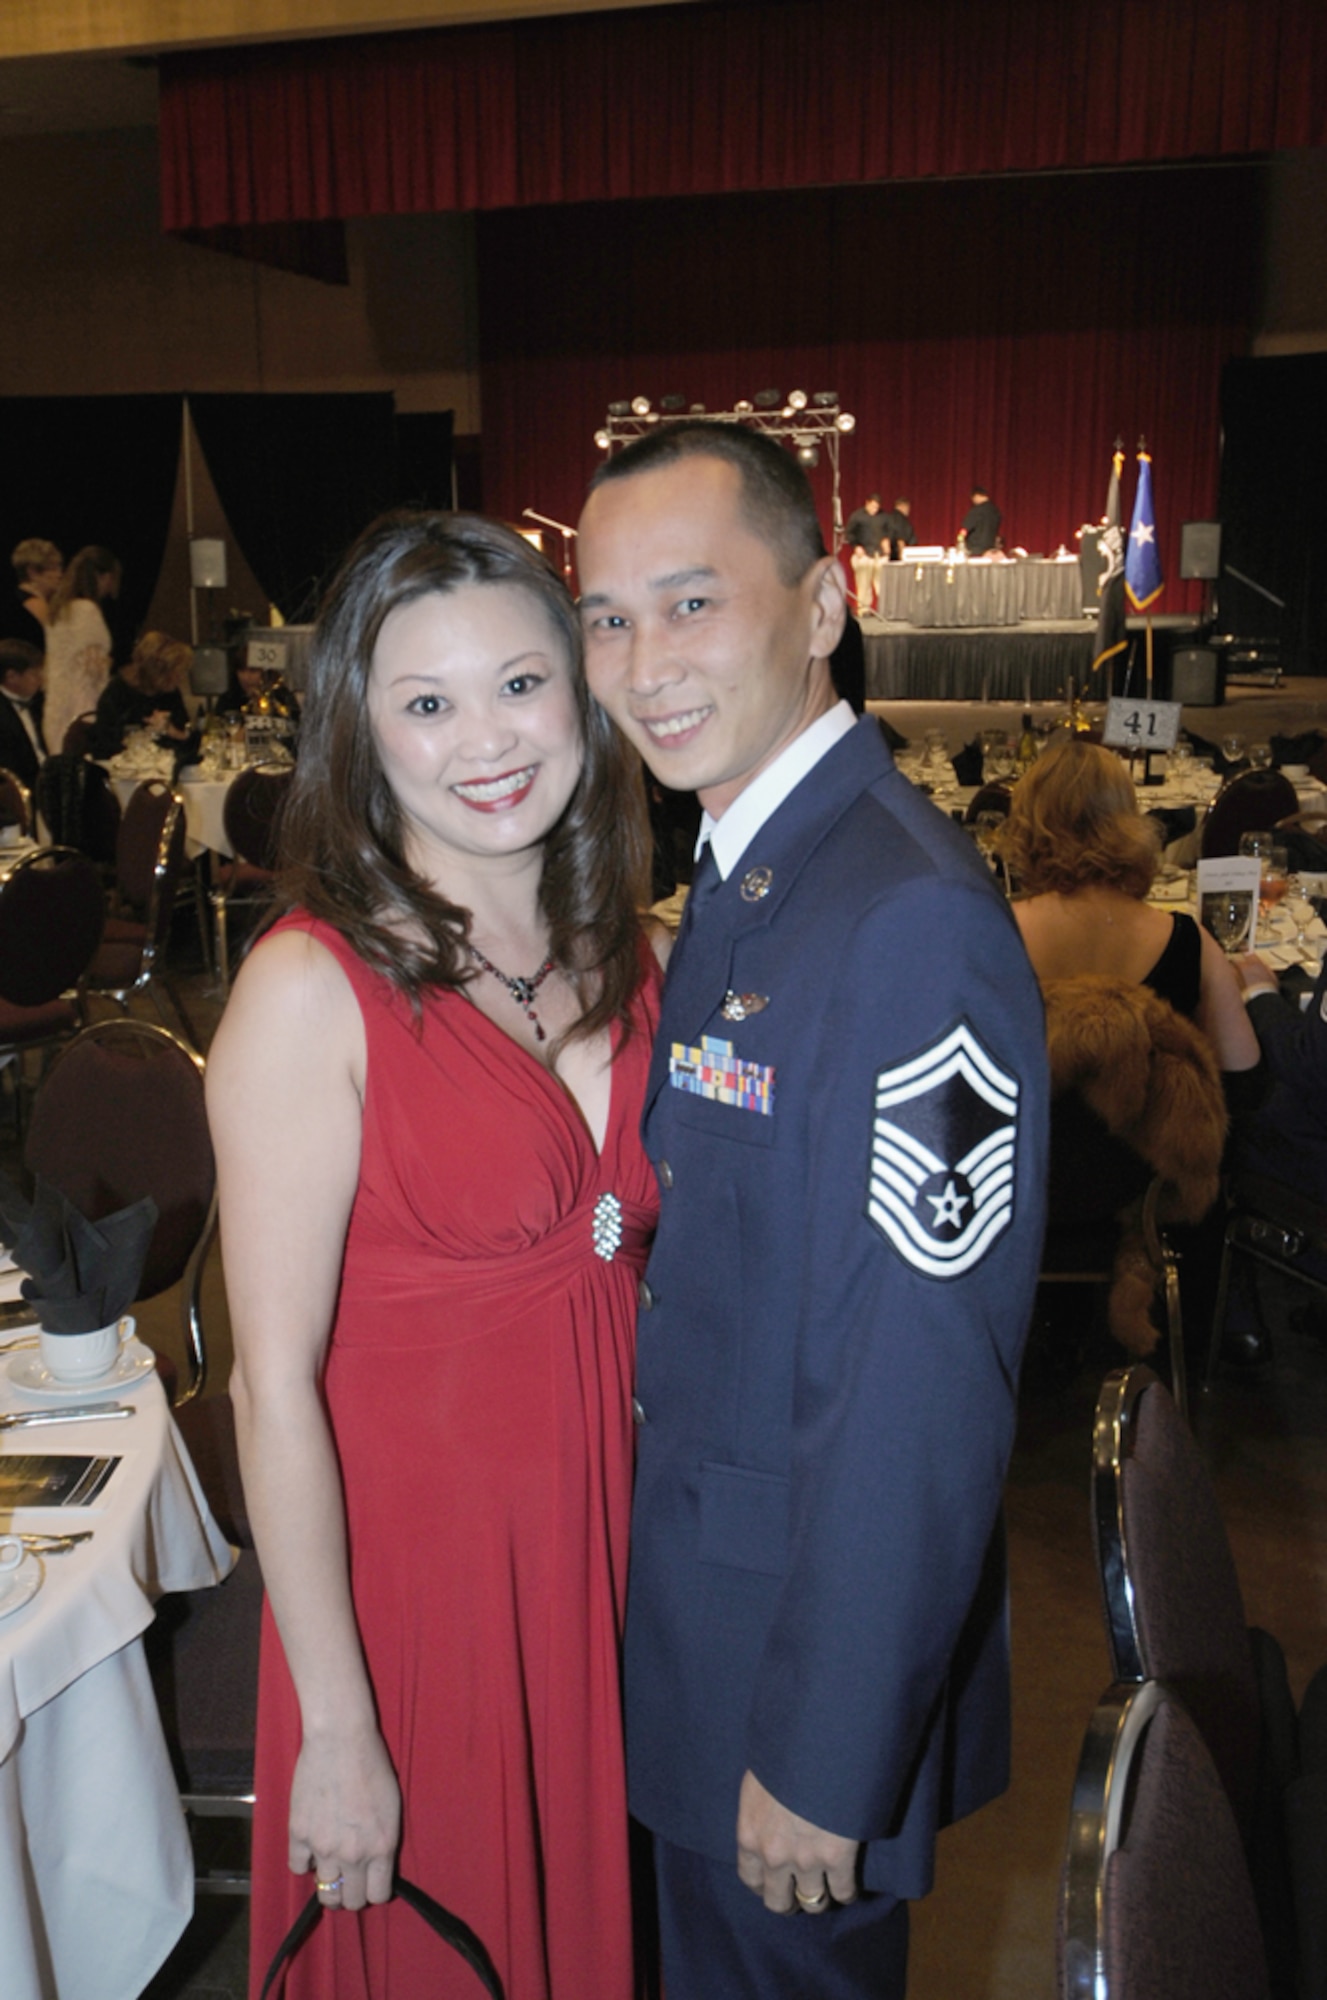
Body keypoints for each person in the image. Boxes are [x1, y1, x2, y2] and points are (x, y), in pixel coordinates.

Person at [576, 422, 1049, 1999]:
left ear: (824, 603)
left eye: (689, 602)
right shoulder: (755, 870)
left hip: (786, 1690)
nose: (643, 663)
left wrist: (828, 1747)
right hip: (710, 1632)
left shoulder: (902, 916)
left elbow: (918, 1380)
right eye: (605, 618)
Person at [206, 511, 658, 2000]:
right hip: (414, 1600)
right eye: (426, 702)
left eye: (520, 683)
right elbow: (271, 1386)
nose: (488, 740)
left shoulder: (636, 949)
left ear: (579, 691)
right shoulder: (307, 989)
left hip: (603, 1559)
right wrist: (339, 1723)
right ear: (362, 732)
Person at [1000, 736, 1258, 1072]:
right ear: (1128, 819)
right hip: (1150, 1106)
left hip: (1033, 1106)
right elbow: (1242, 1068)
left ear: (1027, 825)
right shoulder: (1189, 942)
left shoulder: (998, 934)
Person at [42, 544, 120, 755]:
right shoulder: (86, 611)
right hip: (81, 707)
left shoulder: (58, 610)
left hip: (55, 705)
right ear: (103, 577)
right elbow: (94, 672)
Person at [89, 630, 194, 759]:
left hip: (165, 765)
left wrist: (171, 730)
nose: (181, 678)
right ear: (158, 671)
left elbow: (190, 744)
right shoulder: (117, 693)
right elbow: (104, 746)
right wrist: (143, 734)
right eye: (176, 673)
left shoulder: (170, 693)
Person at [0, 638, 46, 791]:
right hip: (21, 790)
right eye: (34, 674)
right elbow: (10, 770)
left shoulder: (37, 702)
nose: (41, 679)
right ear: (12, 677)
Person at [4, 537, 63, 643]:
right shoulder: (36, 605)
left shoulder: (13, 600)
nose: (59, 574)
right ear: (33, 572)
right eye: (53, 569)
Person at [843, 492, 889, 615]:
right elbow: (849, 534)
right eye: (873, 507)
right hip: (863, 555)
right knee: (863, 584)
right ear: (867, 503)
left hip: (879, 555)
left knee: (882, 584)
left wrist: (886, 541)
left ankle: (885, 609)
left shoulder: (884, 517)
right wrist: (856, 546)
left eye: (877, 507)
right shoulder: (857, 516)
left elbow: (889, 532)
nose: (875, 510)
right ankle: (864, 610)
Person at [958, 486, 1001, 556]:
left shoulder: (976, 510)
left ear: (976, 496)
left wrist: (959, 540)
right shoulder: (996, 511)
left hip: (974, 549)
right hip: (990, 550)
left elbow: (965, 529)